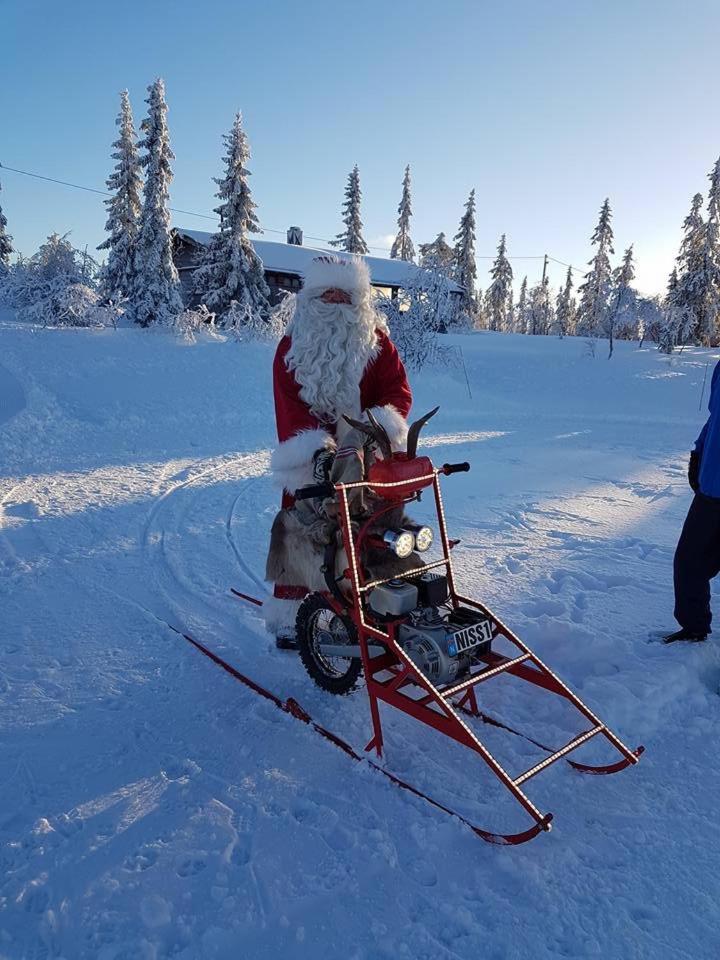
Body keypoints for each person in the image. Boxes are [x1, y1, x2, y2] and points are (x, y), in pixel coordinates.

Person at [264, 254, 412, 648]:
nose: (334, 302)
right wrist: (316, 452)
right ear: (310, 298)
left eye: (343, 295)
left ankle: (381, 604)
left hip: (368, 457)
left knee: (378, 528)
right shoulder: (290, 349)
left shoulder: (378, 344)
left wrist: (374, 430)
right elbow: (289, 406)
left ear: (358, 302)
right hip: (313, 462)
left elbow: (397, 392)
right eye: (325, 294)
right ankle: (293, 616)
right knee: (302, 527)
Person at [665, 361, 720, 643]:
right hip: (712, 488)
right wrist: (698, 453)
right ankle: (694, 628)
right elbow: (715, 417)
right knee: (689, 562)